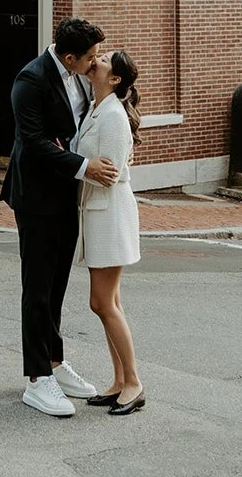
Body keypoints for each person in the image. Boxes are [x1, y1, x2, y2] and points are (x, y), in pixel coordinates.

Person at [0, 17, 120, 418]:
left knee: (56, 286)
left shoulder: (79, 76)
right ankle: (37, 380)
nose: (96, 62)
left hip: (66, 196)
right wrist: (85, 166)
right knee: (37, 287)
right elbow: (32, 144)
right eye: (90, 57)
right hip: (35, 198)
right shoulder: (29, 81)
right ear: (70, 57)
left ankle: (53, 362)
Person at [76, 49, 144, 415]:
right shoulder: (96, 107)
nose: (96, 60)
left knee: (101, 303)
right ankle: (118, 381)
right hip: (98, 214)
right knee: (110, 304)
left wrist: (78, 166)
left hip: (111, 216)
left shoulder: (114, 114)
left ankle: (133, 382)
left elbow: (111, 171)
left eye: (103, 60)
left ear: (114, 78)